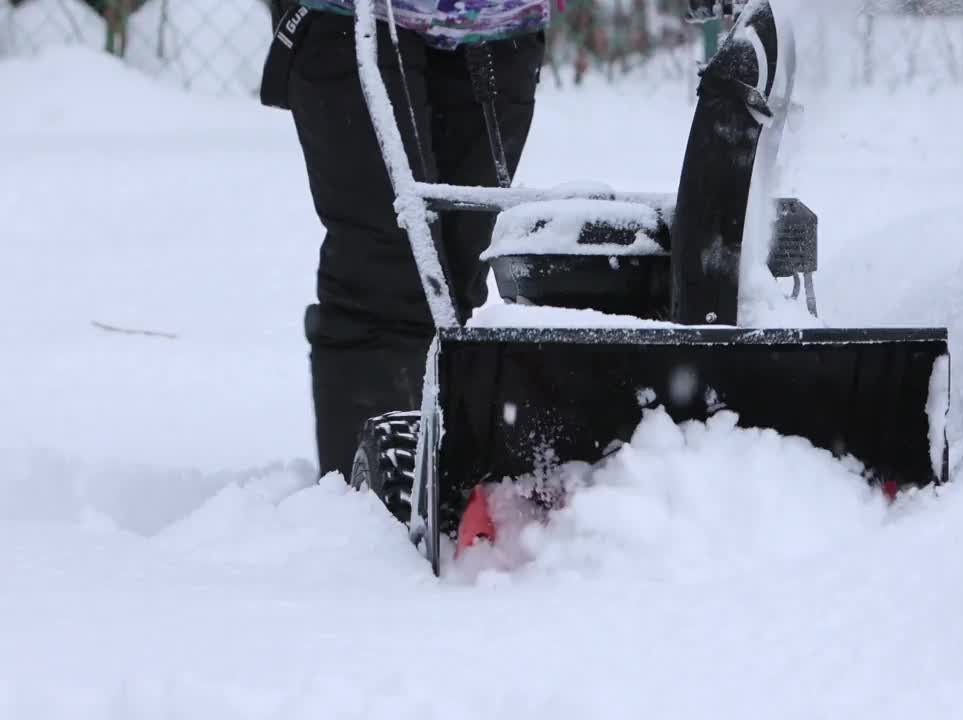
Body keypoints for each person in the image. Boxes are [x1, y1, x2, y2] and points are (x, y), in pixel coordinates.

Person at [265, 0, 734, 479]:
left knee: (458, 274)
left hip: (501, 24)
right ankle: (365, 504)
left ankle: (444, 485)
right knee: (387, 265)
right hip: (357, 19)